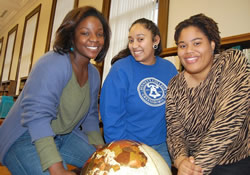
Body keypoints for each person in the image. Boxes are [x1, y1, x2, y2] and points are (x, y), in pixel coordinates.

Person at [0, 6, 111, 175]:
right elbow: (37, 117)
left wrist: (101, 149)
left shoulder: (94, 74)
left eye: (100, 33)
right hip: (25, 137)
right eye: (85, 33)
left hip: (64, 135)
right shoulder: (53, 62)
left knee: (106, 165)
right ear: (71, 35)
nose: (94, 39)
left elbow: (90, 116)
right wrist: (57, 167)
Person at [165, 13, 249, 175]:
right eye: (182, 46)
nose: (188, 51)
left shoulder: (231, 61)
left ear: (212, 44)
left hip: (237, 163)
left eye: (196, 43)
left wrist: (196, 169)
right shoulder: (174, 84)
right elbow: (175, 132)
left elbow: (228, 120)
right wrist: (181, 161)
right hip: (193, 164)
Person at [100, 18, 178, 168]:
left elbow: (176, 110)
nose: (134, 45)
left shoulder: (169, 69)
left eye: (140, 39)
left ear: (155, 40)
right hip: (128, 146)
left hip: (162, 146)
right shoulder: (120, 69)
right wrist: (123, 150)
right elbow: (111, 115)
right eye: (131, 40)